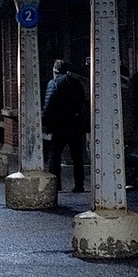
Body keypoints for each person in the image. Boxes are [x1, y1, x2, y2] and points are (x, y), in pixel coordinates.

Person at [42, 58, 87, 194]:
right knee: (77, 157)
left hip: (59, 125)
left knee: (54, 156)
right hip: (75, 125)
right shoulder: (76, 83)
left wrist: (43, 120)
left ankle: (56, 184)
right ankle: (79, 185)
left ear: (55, 70)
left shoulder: (53, 83)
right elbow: (82, 103)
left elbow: (49, 103)